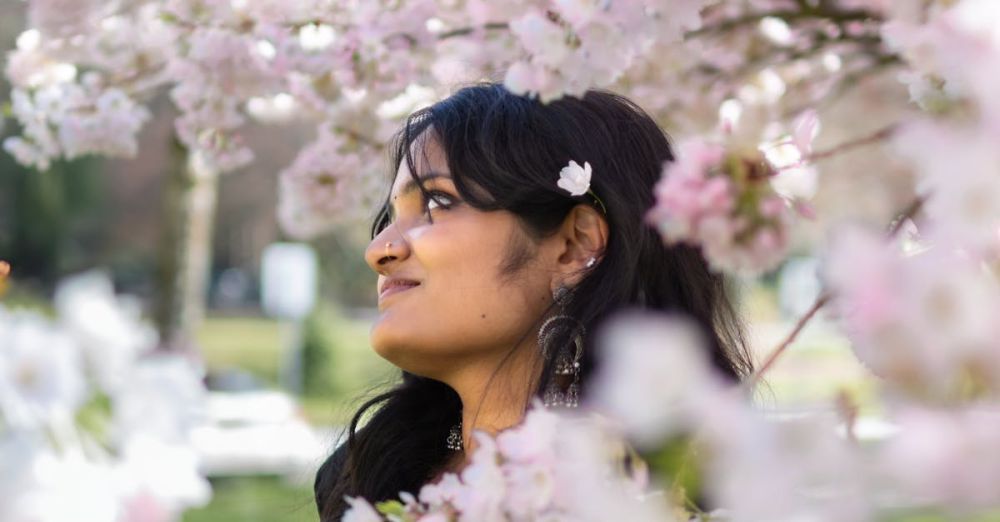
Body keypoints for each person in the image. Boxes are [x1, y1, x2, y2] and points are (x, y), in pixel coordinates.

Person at [314, 82, 753, 521]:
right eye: (390, 217)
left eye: (438, 202)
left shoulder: (685, 487)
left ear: (574, 245)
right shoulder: (363, 480)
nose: (379, 250)